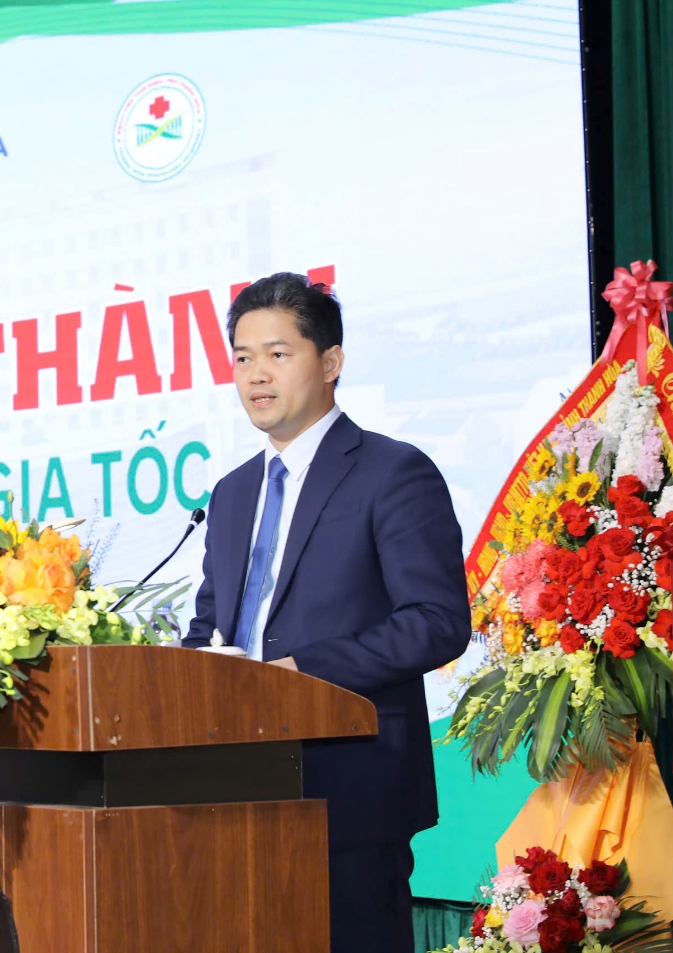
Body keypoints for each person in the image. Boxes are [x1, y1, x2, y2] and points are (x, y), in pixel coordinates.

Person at [181, 272, 471, 953]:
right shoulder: (231, 493)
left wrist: (297, 673)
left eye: (277, 354)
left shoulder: (391, 472)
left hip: (349, 783)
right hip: (232, 786)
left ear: (331, 361)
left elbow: (436, 619)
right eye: (242, 357)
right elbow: (209, 629)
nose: (255, 374)